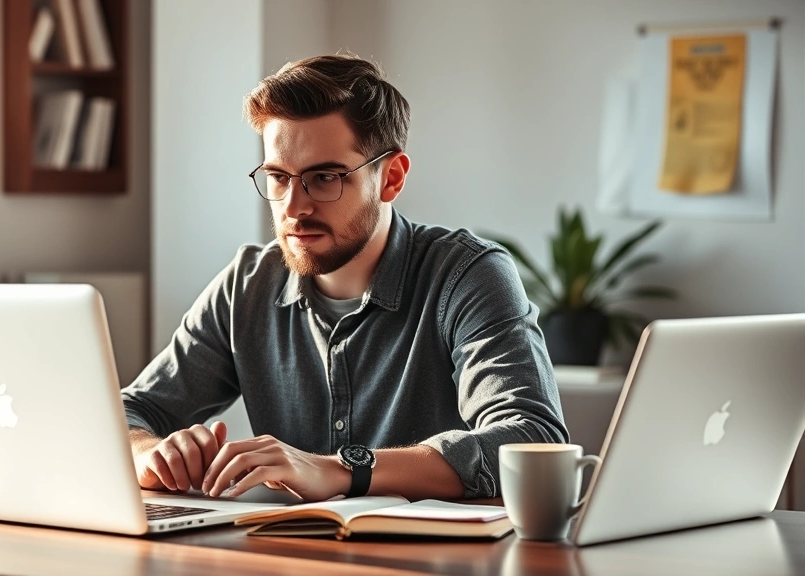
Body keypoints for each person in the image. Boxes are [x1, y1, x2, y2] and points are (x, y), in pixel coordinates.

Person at [122, 54, 568, 503]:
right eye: (278, 177)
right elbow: (126, 412)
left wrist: (339, 470)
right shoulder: (247, 285)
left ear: (390, 178)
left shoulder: (467, 275)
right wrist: (151, 454)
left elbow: (531, 440)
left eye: (325, 177)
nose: (294, 207)